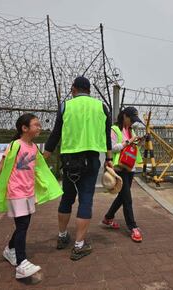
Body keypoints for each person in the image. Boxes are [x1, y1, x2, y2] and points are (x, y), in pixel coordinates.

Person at [0, 113, 63, 280]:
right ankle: (21, 263)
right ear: (24, 128)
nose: (40, 127)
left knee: (24, 225)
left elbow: (39, 168)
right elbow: (1, 167)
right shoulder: (15, 145)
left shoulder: (34, 147)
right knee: (23, 224)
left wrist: (45, 186)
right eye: (36, 125)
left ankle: (10, 250)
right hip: (15, 192)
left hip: (28, 192)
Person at [43, 76, 113, 261]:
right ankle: (79, 245)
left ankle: (62, 236)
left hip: (68, 160)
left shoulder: (66, 106)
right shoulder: (101, 107)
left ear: (74, 88)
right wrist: (109, 159)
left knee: (67, 198)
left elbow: (56, 133)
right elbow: (107, 135)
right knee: (86, 200)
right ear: (89, 90)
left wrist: (45, 156)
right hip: (91, 159)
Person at [102, 107, 144, 242]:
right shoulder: (115, 129)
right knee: (127, 198)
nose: (132, 123)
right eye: (131, 119)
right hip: (120, 168)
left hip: (130, 168)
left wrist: (139, 142)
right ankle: (133, 227)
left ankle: (108, 217)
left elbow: (132, 149)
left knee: (122, 196)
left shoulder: (130, 130)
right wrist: (128, 142)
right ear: (124, 116)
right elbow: (112, 147)